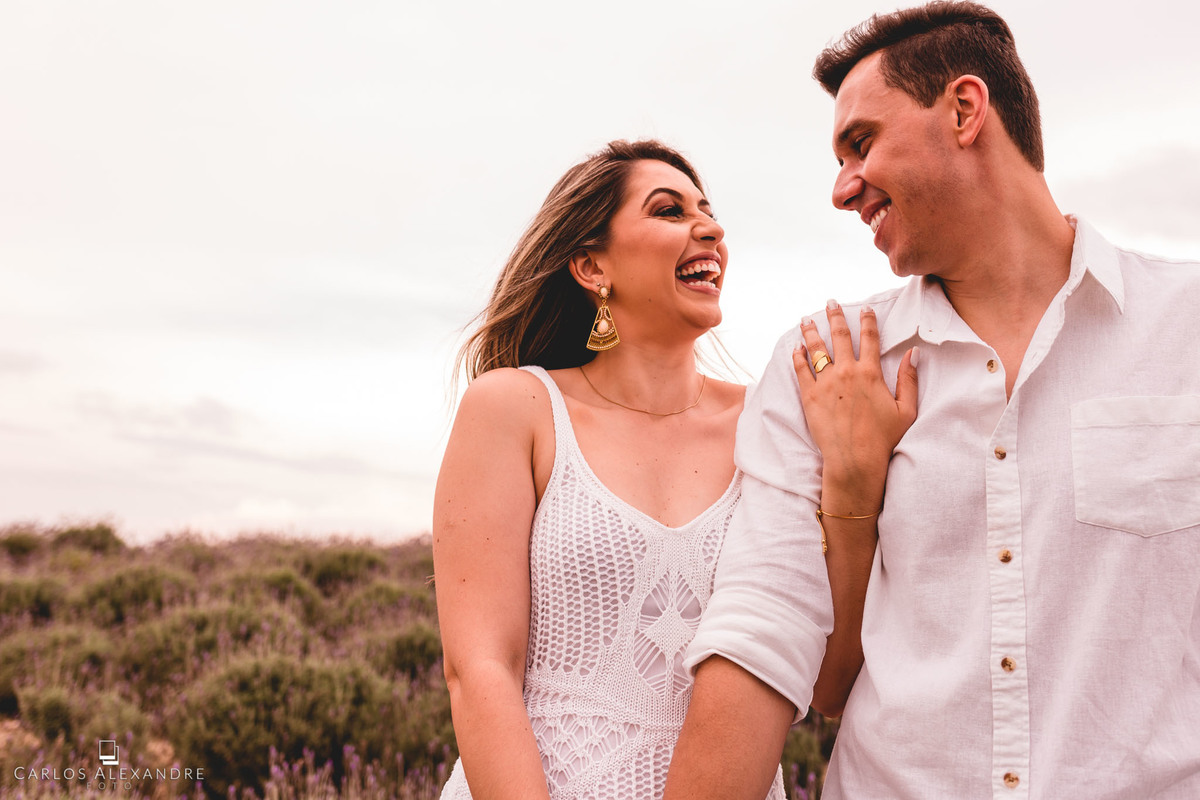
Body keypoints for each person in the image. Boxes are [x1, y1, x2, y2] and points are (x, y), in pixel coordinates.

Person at [665, 3, 1200, 799]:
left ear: (963, 110)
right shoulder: (819, 363)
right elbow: (763, 624)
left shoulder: (1187, 328)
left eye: (861, 143)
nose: (843, 189)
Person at [432, 139, 917, 799]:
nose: (711, 230)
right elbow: (480, 667)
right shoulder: (517, 408)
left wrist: (856, 484)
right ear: (591, 266)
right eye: (669, 211)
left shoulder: (772, 422)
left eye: (709, 212)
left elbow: (829, 685)